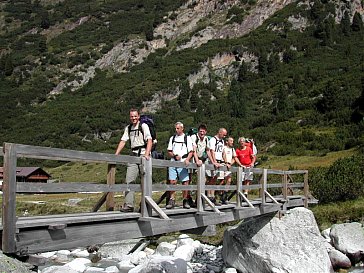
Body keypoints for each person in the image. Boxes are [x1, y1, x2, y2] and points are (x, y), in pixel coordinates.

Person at [115, 109, 152, 212]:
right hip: (133, 155)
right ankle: (129, 205)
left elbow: (149, 140)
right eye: (132, 116)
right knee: (129, 180)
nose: (133, 118)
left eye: (135, 116)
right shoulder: (129, 128)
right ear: (129, 117)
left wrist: (146, 154)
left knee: (145, 181)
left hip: (143, 155)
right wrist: (116, 154)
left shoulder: (143, 126)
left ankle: (145, 204)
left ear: (138, 116)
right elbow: (123, 141)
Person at [166, 122, 194, 209]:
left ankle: (185, 200)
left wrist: (187, 159)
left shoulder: (187, 138)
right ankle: (172, 199)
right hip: (173, 162)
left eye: (178, 128)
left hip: (183, 163)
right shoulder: (172, 138)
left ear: (182, 128)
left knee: (185, 182)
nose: (176, 130)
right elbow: (169, 151)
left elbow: (191, 151)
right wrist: (174, 156)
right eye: (175, 128)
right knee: (172, 181)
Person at [188, 124, 209, 207]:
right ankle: (188, 199)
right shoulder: (194, 137)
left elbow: (207, 151)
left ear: (206, 132)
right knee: (188, 180)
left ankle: (198, 200)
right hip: (192, 160)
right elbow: (194, 150)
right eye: (200, 131)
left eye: (203, 131)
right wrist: (197, 160)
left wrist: (213, 162)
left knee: (202, 180)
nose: (202, 133)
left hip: (201, 161)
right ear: (198, 131)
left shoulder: (206, 139)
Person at [206, 128, 227, 205]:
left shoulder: (222, 141)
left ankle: (212, 196)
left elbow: (223, 152)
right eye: (224, 135)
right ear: (220, 132)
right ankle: (209, 196)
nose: (224, 136)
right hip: (213, 161)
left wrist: (226, 162)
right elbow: (212, 151)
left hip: (219, 161)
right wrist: (214, 162)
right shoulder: (213, 140)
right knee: (211, 179)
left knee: (214, 179)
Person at [220, 136, 236, 204]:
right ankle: (219, 195)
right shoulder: (223, 147)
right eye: (231, 141)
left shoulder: (232, 149)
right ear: (227, 142)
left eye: (232, 141)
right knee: (221, 181)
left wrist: (230, 163)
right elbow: (223, 155)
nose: (232, 142)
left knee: (229, 180)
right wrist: (226, 162)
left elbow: (234, 158)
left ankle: (224, 195)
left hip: (228, 167)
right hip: (222, 165)